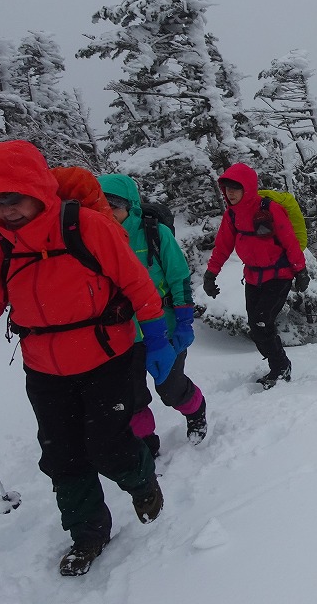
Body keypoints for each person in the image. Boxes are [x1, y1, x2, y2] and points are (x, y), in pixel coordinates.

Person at [0, 141, 175, 576]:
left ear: (36, 188)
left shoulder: (87, 226)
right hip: (44, 369)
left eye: (12, 197)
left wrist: (159, 339)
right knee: (62, 456)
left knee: (108, 446)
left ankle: (141, 480)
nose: (5, 210)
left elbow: (138, 285)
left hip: (107, 359)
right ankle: (88, 534)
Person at [98, 174, 207, 455]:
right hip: (122, 334)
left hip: (164, 326)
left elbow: (179, 278)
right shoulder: (94, 238)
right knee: (132, 397)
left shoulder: (155, 233)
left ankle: (196, 411)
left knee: (170, 389)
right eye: (101, 205)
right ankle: (146, 443)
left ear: (130, 206)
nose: (108, 212)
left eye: (114, 205)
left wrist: (184, 322)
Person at [202, 164, 310, 389]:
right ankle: (279, 364)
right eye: (227, 188)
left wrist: (300, 271)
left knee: (262, 322)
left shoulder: (270, 209)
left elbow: (289, 241)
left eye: (235, 188)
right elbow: (222, 246)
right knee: (256, 325)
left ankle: (280, 367)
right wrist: (211, 274)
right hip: (253, 276)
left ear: (248, 188)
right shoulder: (232, 215)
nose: (230, 193)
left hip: (279, 274)